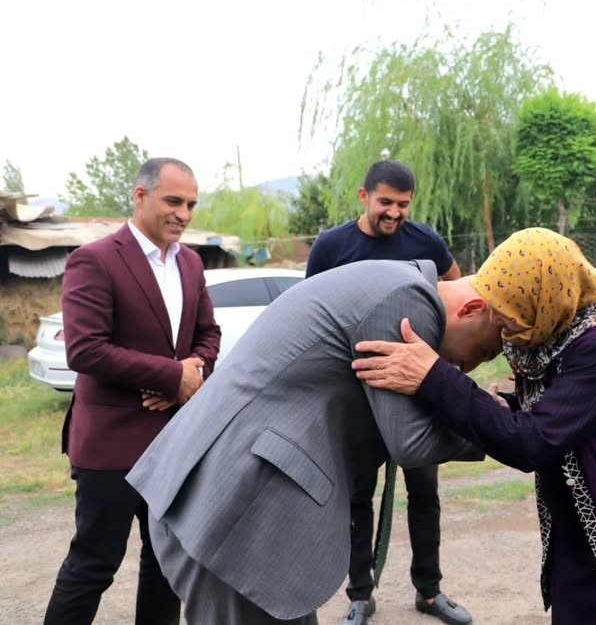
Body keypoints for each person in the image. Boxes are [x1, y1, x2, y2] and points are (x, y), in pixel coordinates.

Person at [353, 228, 596, 625]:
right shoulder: (566, 333)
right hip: (594, 528)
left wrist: (434, 378)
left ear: (547, 301)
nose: (508, 336)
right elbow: (559, 410)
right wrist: (498, 405)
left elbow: (535, 441)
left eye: (513, 322)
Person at [126, 258, 505, 625]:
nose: (470, 367)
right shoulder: (407, 300)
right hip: (236, 514)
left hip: (240, 506)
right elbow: (412, 442)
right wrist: (497, 425)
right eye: (484, 351)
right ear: (472, 309)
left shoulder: (396, 278)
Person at [44, 158, 221, 625]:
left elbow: (208, 334)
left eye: (191, 204)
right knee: (93, 565)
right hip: (111, 442)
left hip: (174, 441)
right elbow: (85, 350)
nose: (184, 213)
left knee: (166, 566)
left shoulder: (190, 263)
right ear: (140, 196)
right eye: (174, 201)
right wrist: (171, 376)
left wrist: (190, 377)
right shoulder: (95, 259)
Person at [305, 159, 469, 625]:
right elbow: (312, 309)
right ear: (364, 196)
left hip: (420, 389)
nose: (394, 213)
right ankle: (360, 594)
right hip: (359, 392)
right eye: (385, 203)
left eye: (403, 204)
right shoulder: (332, 246)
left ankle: (430, 592)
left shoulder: (426, 242)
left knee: (425, 494)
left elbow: (456, 292)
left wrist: (444, 361)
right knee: (358, 497)